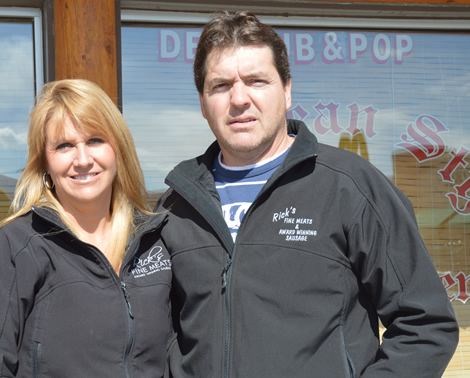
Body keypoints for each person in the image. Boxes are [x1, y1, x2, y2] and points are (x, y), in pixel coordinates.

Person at [156, 10, 458, 378]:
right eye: (220, 86)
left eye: (256, 81)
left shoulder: (349, 186)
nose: (239, 99)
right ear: (203, 103)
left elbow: (425, 323)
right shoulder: (175, 206)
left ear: (286, 91)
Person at [0, 79, 171, 377]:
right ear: (44, 161)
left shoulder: (155, 241)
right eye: (64, 146)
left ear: (118, 149)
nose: (83, 160)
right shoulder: (13, 248)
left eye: (95, 140)